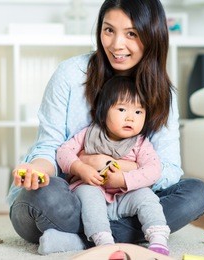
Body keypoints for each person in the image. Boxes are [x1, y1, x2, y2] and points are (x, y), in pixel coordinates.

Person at [7, 0, 204, 255]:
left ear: (152, 36)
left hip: (127, 200)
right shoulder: (71, 74)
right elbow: (50, 147)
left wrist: (119, 169)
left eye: (132, 34)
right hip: (73, 199)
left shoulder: (161, 93)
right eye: (108, 30)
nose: (116, 45)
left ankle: (79, 241)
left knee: (195, 194)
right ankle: (123, 235)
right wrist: (39, 169)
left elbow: (169, 170)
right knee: (43, 195)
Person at [56, 75, 170, 255]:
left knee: (147, 196)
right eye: (122, 109)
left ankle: (158, 238)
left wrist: (124, 179)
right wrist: (80, 168)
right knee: (88, 192)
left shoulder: (140, 143)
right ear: (103, 111)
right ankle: (104, 241)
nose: (131, 118)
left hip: (124, 198)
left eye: (139, 112)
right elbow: (63, 152)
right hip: (93, 193)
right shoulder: (89, 134)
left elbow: (154, 170)